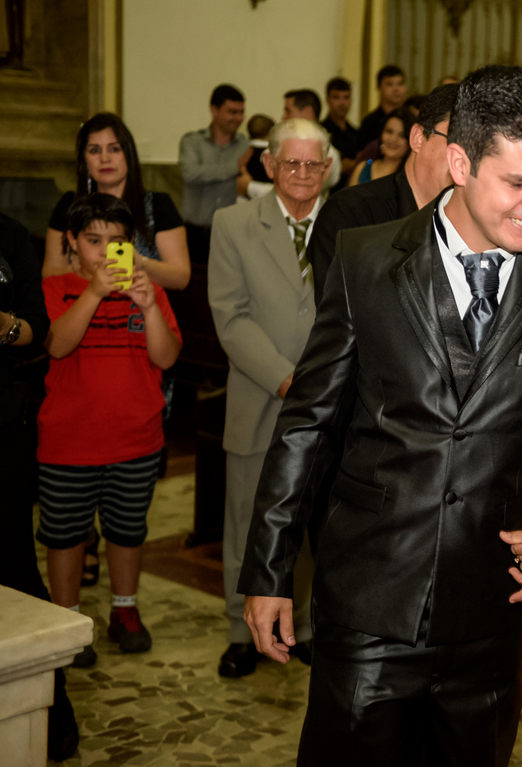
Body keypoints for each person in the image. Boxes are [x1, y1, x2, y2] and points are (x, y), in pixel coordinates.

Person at [238, 65, 522, 765]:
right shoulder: (365, 259)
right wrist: (269, 572)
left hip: (496, 608)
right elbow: (309, 424)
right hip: (368, 599)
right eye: (518, 182)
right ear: (459, 161)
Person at [208, 119, 331, 679]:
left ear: (327, 168)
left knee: (312, 525)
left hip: (333, 407)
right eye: (291, 164)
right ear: (269, 165)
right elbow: (231, 320)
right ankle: (241, 628)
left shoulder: (349, 224)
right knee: (247, 522)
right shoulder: (233, 224)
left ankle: (301, 625)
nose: (302, 174)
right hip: (261, 399)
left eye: (313, 164)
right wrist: (289, 381)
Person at [38, 194, 182, 667]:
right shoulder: (55, 288)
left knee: (126, 530)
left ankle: (125, 609)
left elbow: (166, 357)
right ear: (72, 244)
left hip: (134, 439)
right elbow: (57, 345)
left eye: (116, 242)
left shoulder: (149, 290)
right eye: (93, 241)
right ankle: (67, 620)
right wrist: (94, 293)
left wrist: (150, 306)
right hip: (68, 441)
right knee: (64, 535)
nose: (104, 252)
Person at [0, 201, 80, 761]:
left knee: (13, 568)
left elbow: (37, 330)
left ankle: (50, 716)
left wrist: (2, 326)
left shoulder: (4, 234)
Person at [308, 83, 459, 302]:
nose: (465, 160)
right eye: (457, 142)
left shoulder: (475, 223)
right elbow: (341, 320)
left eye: (480, 149)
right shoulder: (350, 214)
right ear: (418, 137)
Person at [44, 114, 191, 291]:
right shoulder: (69, 205)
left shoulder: (158, 204)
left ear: (128, 155)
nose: (104, 158)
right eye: (94, 150)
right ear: (85, 161)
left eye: (114, 149)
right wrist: (78, 268)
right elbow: (49, 275)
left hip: (141, 310)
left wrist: (137, 261)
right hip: (79, 308)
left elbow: (181, 277)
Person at [179, 84, 248, 262]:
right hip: (195, 234)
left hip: (233, 235)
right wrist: (235, 167)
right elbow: (190, 173)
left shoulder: (246, 146)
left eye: (241, 112)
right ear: (214, 110)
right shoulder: (192, 141)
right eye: (232, 112)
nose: (238, 118)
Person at [277, 89, 343, 193]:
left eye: (288, 111)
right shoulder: (280, 145)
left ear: (308, 113)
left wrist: (249, 186)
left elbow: (296, 191)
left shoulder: (328, 155)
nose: (283, 118)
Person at [348, 108, 414, 187]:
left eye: (402, 135)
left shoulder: (411, 177)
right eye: (389, 131)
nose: (393, 139)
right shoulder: (362, 168)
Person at [356, 64, 408, 150]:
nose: (396, 89)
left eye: (400, 84)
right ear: (379, 88)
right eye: (390, 84)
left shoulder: (411, 119)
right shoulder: (370, 123)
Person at [322, 77, 362, 179]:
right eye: (336, 97)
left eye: (346, 97)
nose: (342, 103)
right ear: (327, 100)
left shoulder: (356, 133)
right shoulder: (321, 132)